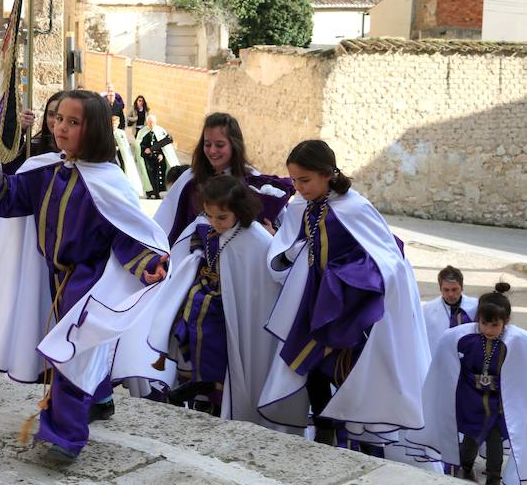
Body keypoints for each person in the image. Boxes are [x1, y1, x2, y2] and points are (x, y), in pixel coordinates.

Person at [0, 89, 169, 459]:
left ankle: (65, 437)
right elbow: (9, 200)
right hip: (54, 278)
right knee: (82, 349)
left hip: (91, 278)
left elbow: (127, 233)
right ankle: (101, 398)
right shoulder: (46, 170)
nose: (61, 127)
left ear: (95, 131)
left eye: (73, 122)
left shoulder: (108, 181)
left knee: (72, 353)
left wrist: (148, 264)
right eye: (58, 119)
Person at [258, 140, 430, 451]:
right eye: (294, 180)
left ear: (327, 174)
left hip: (349, 306)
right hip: (315, 301)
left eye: (305, 180)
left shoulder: (355, 207)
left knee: (353, 372)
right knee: (308, 365)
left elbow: (388, 256)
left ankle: (363, 441)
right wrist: (286, 253)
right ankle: (325, 429)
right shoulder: (306, 206)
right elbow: (299, 245)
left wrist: (348, 277)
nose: (298, 187)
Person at [147, 175, 307, 429]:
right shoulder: (215, 231)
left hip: (246, 320)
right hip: (216, 305)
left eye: (221, 218)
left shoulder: (256, 239)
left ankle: (213, 392)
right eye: (209, 216)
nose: (214, 223)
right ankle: (205, 392)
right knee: (190, 321)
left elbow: (265, 286)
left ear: (239, 211)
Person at [410, 282, 525, 485]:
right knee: (471, 439)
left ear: (506, 322)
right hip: (472, 401)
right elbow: (450, 369)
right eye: (484, 323)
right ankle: (466, 467)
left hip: (498, 406)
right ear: (478, 319)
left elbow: (517, 374)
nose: (489, 330)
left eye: (495, 325)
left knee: (494, 442)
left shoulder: (515, 343)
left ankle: (493, 478)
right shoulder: (464, 339)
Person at [154, 113, 294, 245]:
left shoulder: (253, 182)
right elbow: (166, 220)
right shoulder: (190, 179)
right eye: (207, 144)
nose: (212, 151)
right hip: (193, 261)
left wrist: (272, 233)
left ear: (234, 145)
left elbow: (280, 224)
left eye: (220, 145)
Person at [3, 91, 66, 174]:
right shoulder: (33, 149)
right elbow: (7, 171)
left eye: (60, 116)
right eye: (51, 114)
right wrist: (19, 132)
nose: (55, 121)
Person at [422, 265, 478, 354]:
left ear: (462, 287)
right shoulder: (426, 311)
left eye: (454, 289)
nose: (451, 294)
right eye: (446, 290)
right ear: (440, 289)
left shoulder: (476, 306)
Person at [134, 114, 179, 200]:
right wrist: (147, 151)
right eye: (150, 122)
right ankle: (151, 192)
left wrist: (161, 154)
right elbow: (140, 146)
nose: (152, 124)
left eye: (153, 122)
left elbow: (165, 146)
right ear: (147, 122)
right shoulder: (142, 132)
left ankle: (159, 192)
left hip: (159, 158)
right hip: (148, 159)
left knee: (159, 175)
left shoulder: (160, 131)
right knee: (151, 176)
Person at [112, 115, 144, 196]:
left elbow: (125, 145)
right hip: (111, 155)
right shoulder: (106, 132)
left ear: (118, 123)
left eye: (116, 123)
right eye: (113, 123)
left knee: (122, 168)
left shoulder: (121, 133)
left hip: (120, 154)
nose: (114, 125)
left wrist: (119, 147)